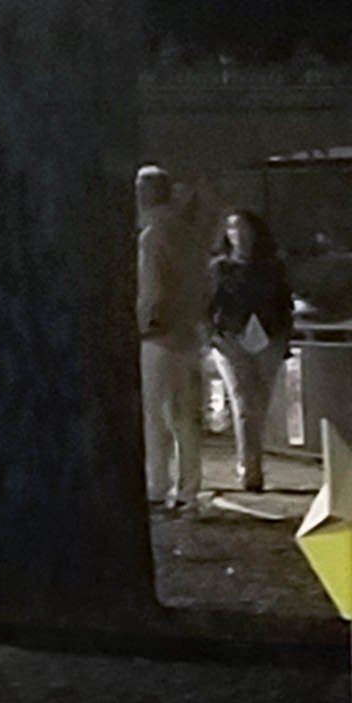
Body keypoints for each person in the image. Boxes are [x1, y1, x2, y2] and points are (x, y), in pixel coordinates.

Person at [206, 209, 295, 494]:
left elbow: (284, 305)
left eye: (244, 229)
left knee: (260, 403)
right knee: (244, 401)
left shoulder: (273, 268)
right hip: (231, 340)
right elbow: (207, 306)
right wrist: (215, 337)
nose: (239, 235)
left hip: (268, 338)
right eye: (233, 229)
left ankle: (252, 460)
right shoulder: (219, 269)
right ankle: (250, 470)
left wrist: (283, 340)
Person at [136, 167, 207, 514]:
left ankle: (156, 484)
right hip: (188, 334)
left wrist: (145, 324)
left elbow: (152, 291)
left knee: (154, 415)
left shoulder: (151, 235)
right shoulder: (188, 235)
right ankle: (189, 488)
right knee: (184, 416)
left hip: (160, 337)